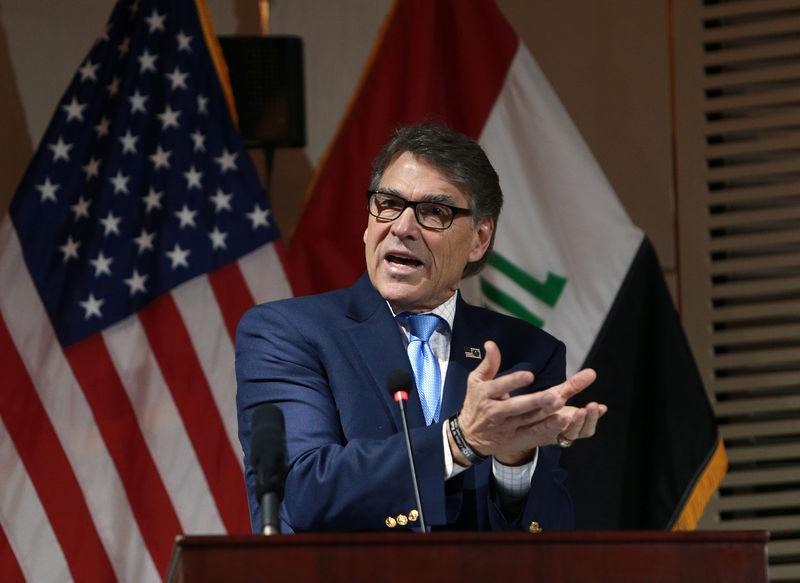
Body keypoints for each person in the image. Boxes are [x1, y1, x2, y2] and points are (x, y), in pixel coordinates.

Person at [236, 124, 607, 534]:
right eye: (389, 203)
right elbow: (302, 494)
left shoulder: (525, 353)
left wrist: (514, 464)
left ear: (479, 239)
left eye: (435, 212)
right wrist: (459, 441)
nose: (402, 227)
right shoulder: (286, 332)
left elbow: (552, 535)